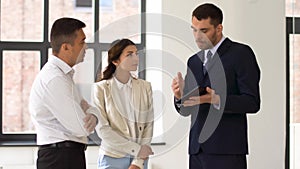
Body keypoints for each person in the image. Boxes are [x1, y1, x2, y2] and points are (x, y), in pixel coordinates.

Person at [171, 3, 260, 169]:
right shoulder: (194, 61)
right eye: (194, 29)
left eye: (204, 31)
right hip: (197, 150)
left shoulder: (241, 54)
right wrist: (179, 97)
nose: (197, 36)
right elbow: (186, 110)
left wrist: (216, 99)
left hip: (227, 150)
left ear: (219, 28)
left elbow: (252, 102)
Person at [29, 17, 99, 169]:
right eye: (82, 42)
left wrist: (93, 114)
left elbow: (87, 107)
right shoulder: (55, 79)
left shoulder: (64, 76)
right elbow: (81, 127)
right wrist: (92, 115)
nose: (86, 47)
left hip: (66, 155)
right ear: (66, 47)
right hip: (60, 159)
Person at [93, 39, 154, 169]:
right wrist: (136, 149)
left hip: (139, 159)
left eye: (136, 54)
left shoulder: (145, 87)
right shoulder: (100, 88)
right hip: (112, 158)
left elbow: (149, 125)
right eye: (129, 54)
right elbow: (102, 129)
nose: (136, 58)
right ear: (115, 61)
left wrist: (138, 161)